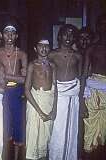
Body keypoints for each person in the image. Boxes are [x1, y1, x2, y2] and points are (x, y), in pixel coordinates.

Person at [48, 24, 82, 160]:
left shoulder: (78, 56)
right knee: (57, 130)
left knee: (71, 130)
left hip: (72, 94)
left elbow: (80, 78)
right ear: (59, 36)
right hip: (58, 95)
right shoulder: (52, 54)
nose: (68, 37)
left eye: (71, 35)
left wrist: (82, 99)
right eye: (65, 34)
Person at [0, 24, 27, 160]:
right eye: (7, 33)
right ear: (2, 35)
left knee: (19, 125)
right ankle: (5, 156)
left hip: (17, 92)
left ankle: (18, 157)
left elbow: (24, 79)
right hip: (3, 92)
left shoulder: (22, 54)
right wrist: (16, 78)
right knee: (4, 125)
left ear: (16, 36)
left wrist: (6, 76)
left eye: (12, 33)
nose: (9, 36)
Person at [25, 39, 57, 160]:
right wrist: (39, 112)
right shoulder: (32, 65)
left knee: (45, 140)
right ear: (35, 49)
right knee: (32, 138)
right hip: (35, 103)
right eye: (40, 46)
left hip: (48, 102)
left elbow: (55, 88)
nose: (43, 49)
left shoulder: (53, 66)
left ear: (50, 48)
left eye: (46, 46)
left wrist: (54, 109)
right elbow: (27, 90)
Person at [82, 14, 106, 153]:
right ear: (97, 28)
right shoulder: (92, 48)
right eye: (101, 24)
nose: (104, 27)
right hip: (93, 94)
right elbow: (84, 74)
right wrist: (82, 100)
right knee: (89, 135)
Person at [76, 27, 93, 158]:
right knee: (77, 131)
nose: (84, 41)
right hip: (75, 96)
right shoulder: (74, 56)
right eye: (81, 37)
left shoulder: (93, 54)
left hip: (92, 97)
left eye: (87, 38)